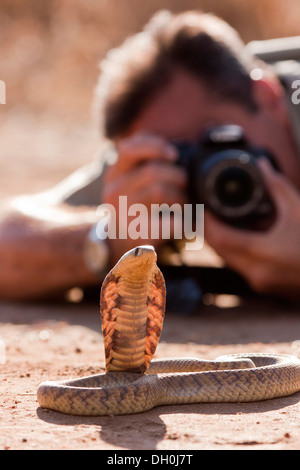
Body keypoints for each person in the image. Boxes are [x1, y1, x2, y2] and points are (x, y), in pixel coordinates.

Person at [1, 9, 300, 301]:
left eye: (224, 146)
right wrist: (111, 238)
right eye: (192, 158)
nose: (222, 173)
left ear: (268, 95)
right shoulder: (165, 142)